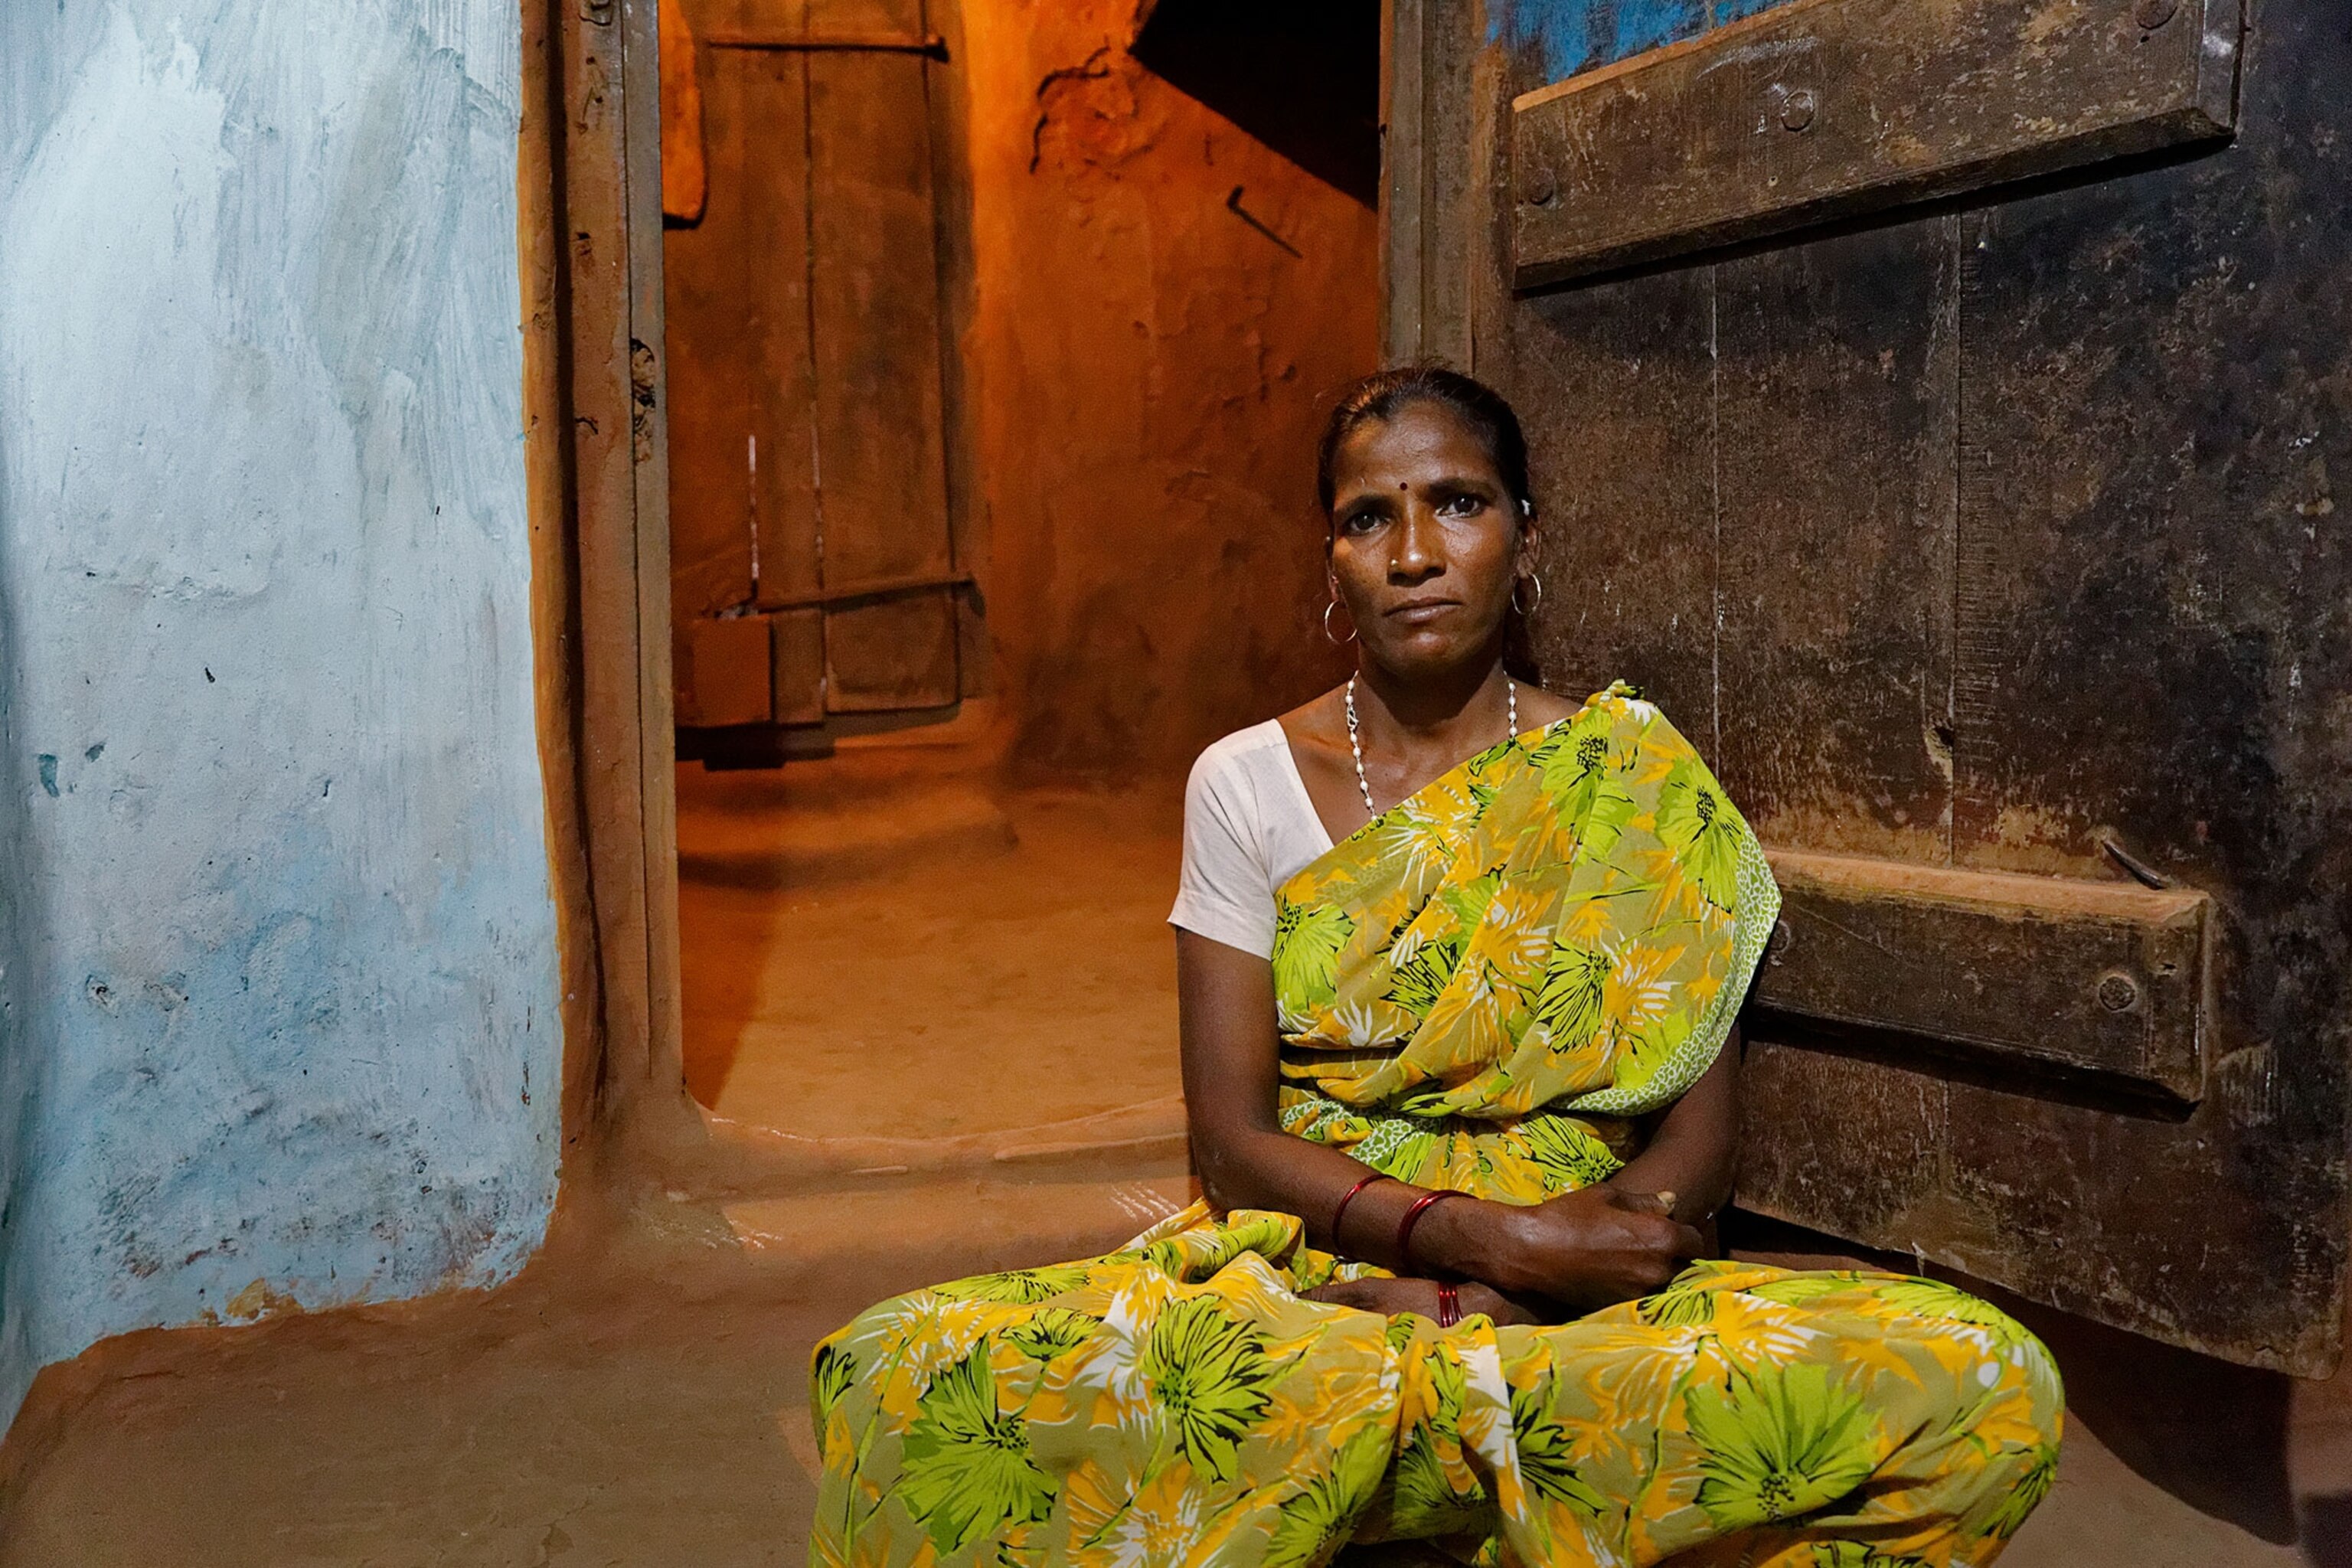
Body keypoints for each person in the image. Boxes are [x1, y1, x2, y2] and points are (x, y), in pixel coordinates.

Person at [808, 368, 2063, 1568]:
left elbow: (1702, 1143)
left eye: (1457, 502)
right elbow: (1234, 1139)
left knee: (1983, 1380)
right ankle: (1460, 1469)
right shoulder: (1244, 781)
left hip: (1582, 1292)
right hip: (1331, 1281)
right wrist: (1468, 1252)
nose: (1414, 552)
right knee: (900, 1372)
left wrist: (1560, 1268)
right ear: (1333, 564)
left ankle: (1384, 1469)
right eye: (1370, 517)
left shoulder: (1634, 776)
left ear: (1525, 536)